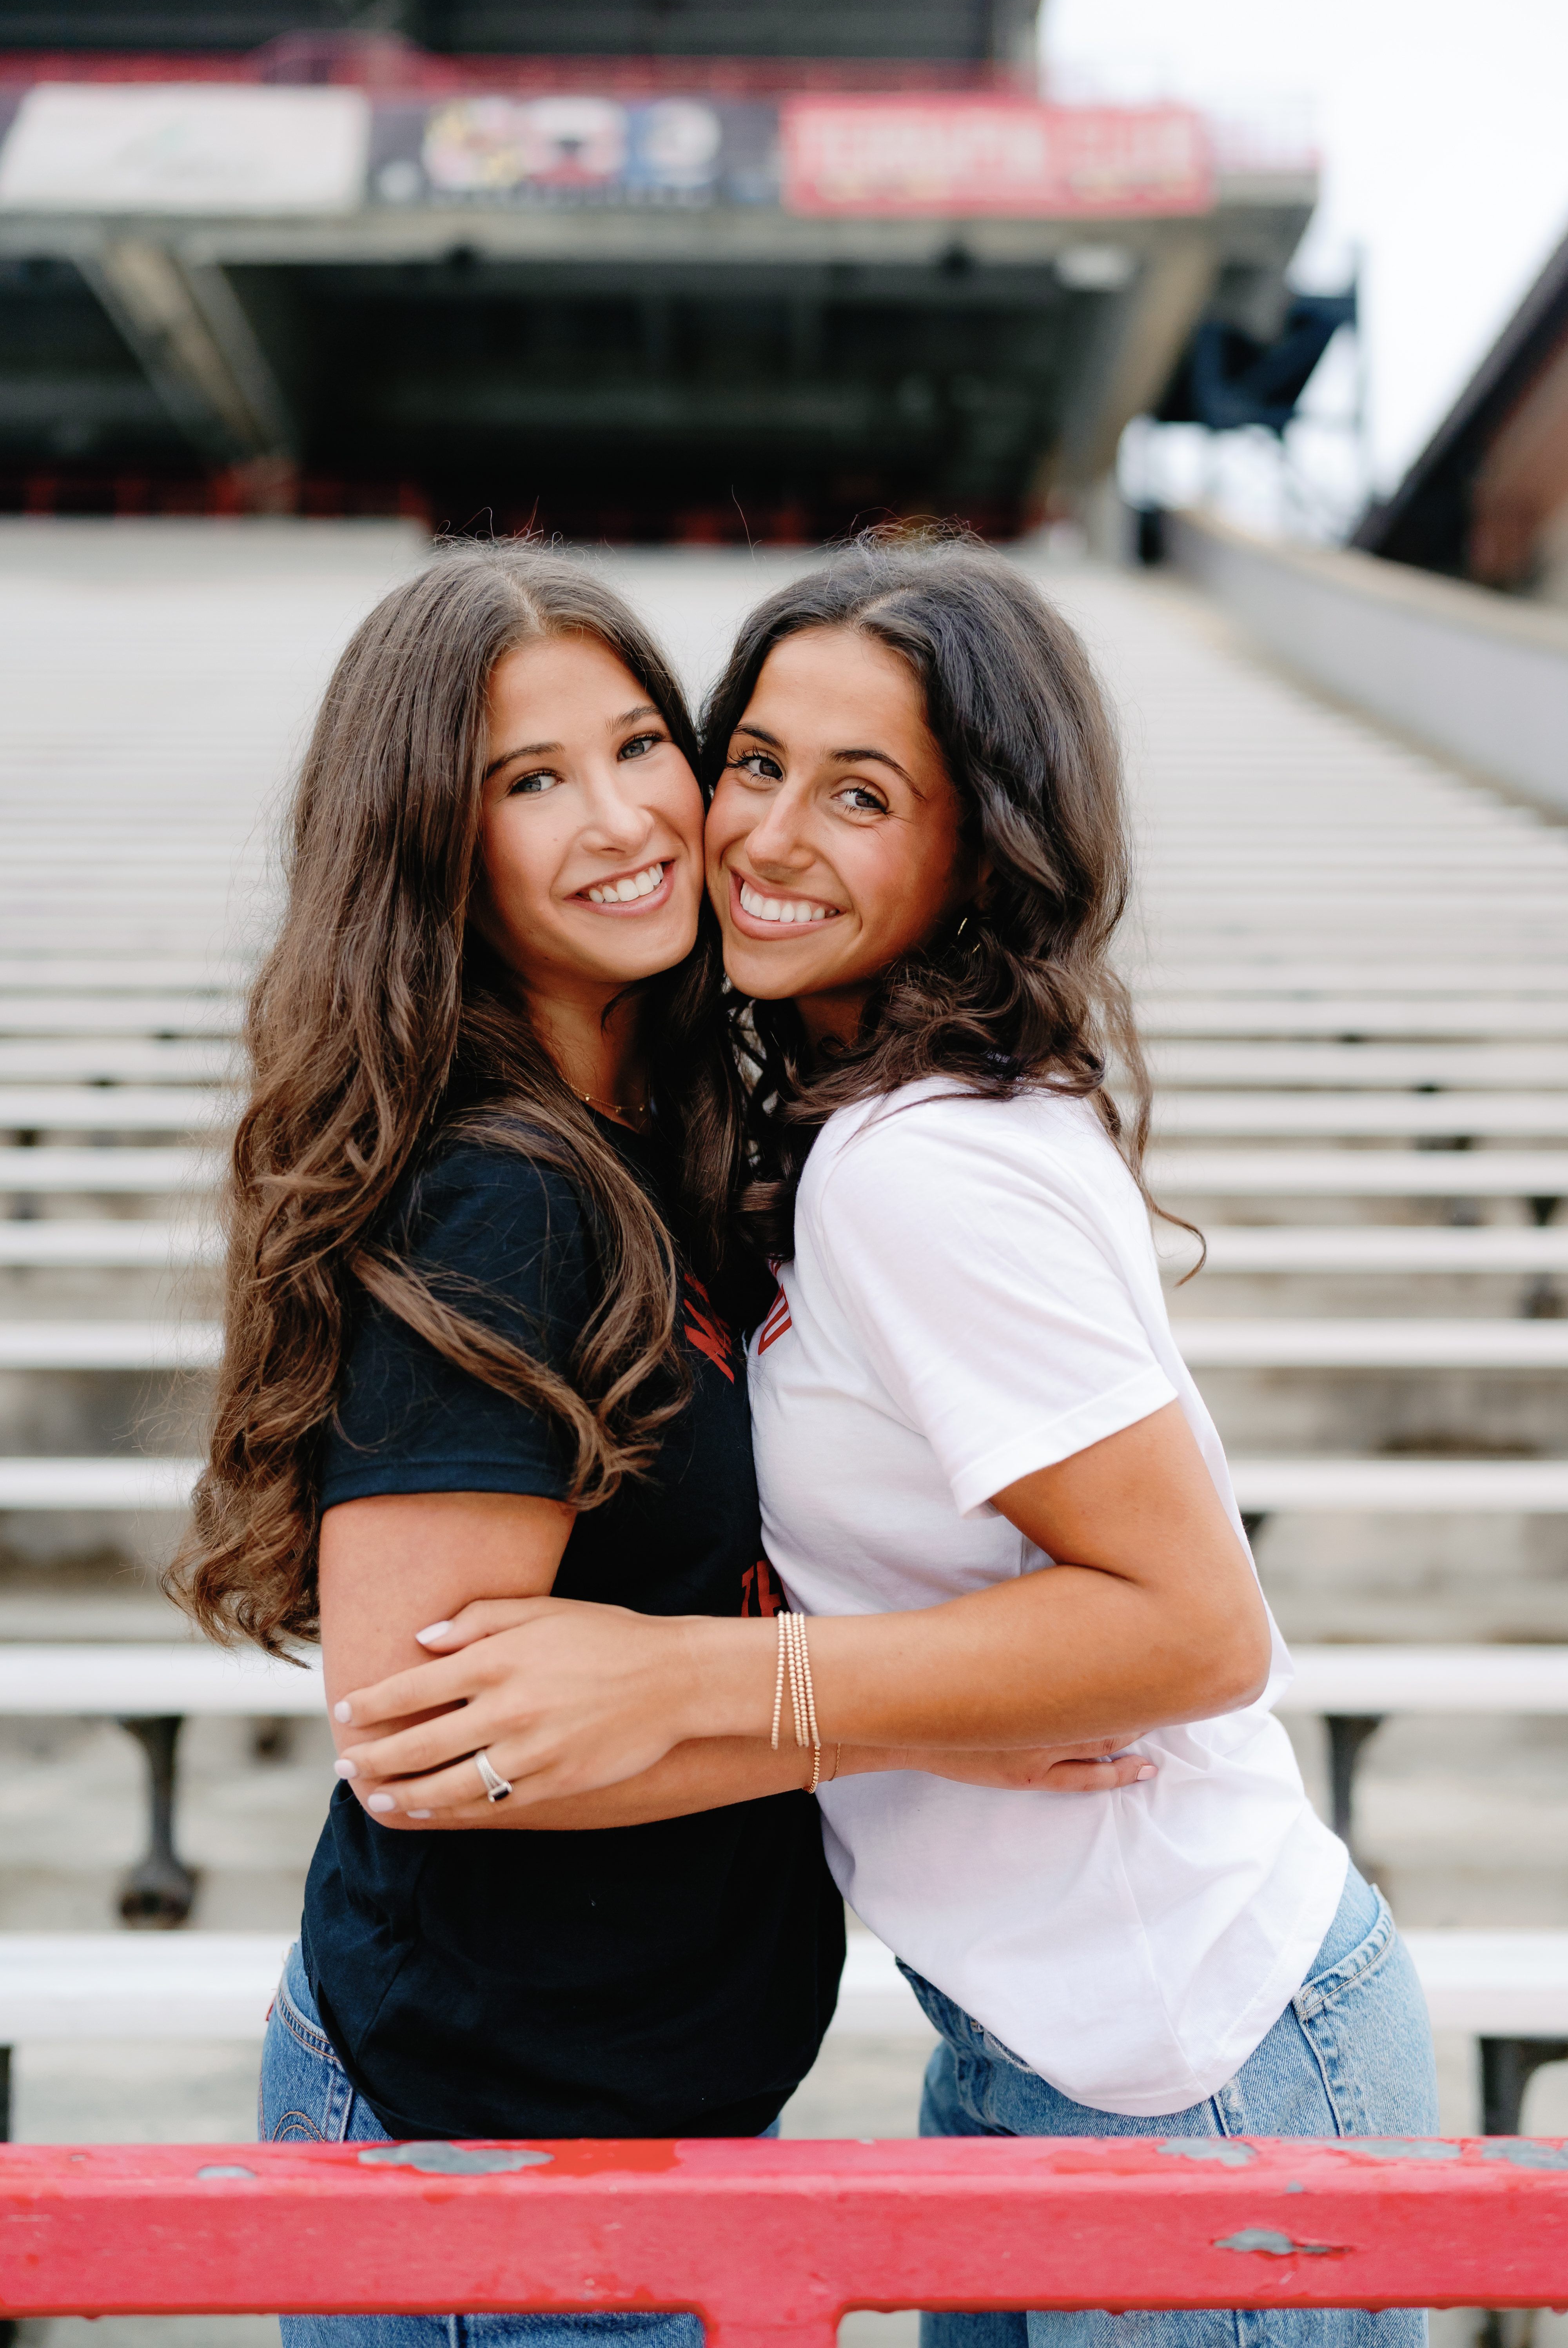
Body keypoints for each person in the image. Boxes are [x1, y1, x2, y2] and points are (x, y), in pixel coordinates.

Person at [334, 537, 1439, 2348]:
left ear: (977, 843)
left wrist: (737, 1683)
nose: (764, 838)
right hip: (1051, 2038)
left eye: (863, 794)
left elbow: (1195, 1634)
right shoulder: (854, 1128)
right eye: (756, 761)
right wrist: (908, 1697)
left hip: (1194, 2067)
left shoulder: (916, 1161)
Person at [170, 541, 1144, 2348]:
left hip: (645, 2112)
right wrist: (874, 1703)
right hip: (491, 2143)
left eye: (642, 746)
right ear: (425, 843)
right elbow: (423, 1748)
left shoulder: (659, 1132)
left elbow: (679, 1639)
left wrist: (856, 1693)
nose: (628, 819)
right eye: (530, 781)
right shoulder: (501, 1196)